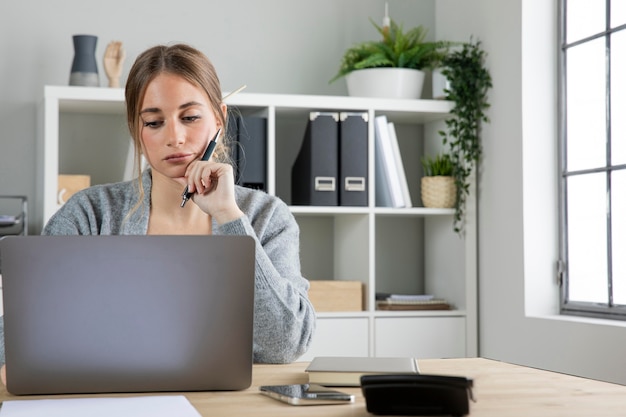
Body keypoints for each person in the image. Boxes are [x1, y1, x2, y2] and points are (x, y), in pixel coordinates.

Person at [0, 43, 316, 374]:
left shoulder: (265, 217)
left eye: (190, 117)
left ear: (220, 120)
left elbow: (288, 344)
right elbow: (15, 340)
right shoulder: (89, 214)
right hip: (113, 398)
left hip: (226, 403)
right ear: (137, 131)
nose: (174, 137)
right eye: (154, 122)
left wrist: (230, 217)